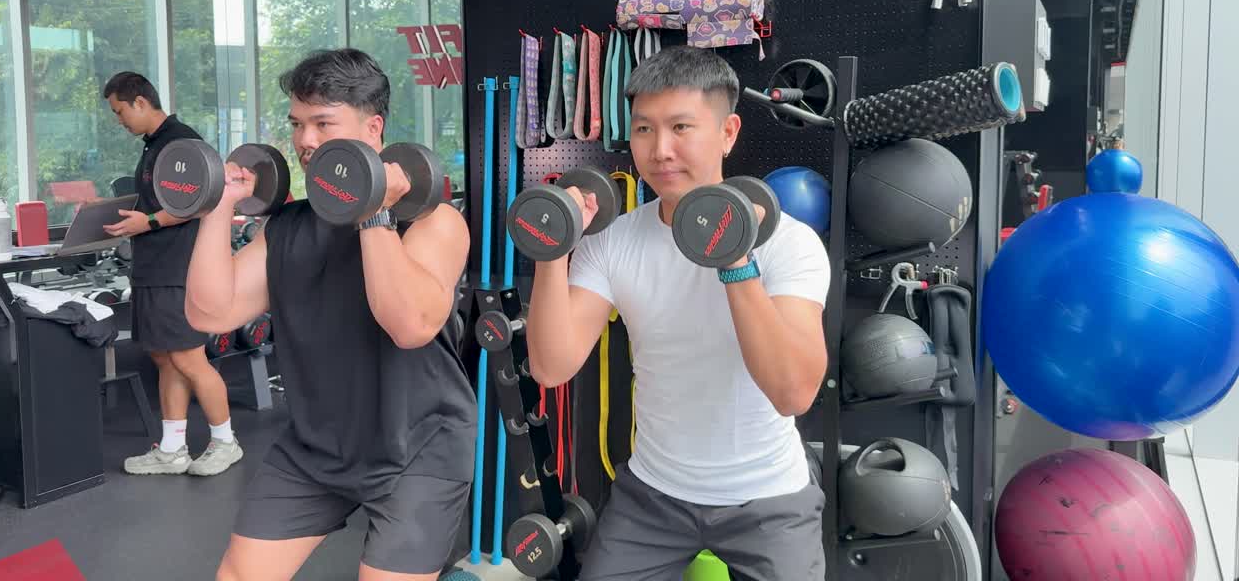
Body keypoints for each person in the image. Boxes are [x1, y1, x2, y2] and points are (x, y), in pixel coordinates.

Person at [526, 46, 831, 580]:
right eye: (644, 130)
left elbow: (793, 392)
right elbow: (552, 368)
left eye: (681, 127)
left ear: (728, 132)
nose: (660, 150)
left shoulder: (789, 245)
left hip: (768, 499)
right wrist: (555, 249)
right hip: (654, 497)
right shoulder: (614, 242)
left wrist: (734, 257)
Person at [183, 49, 476, 581]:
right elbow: (211, 312)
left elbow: (409, 326)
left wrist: (374, 212)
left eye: (323, 123)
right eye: (297, 124)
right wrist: (218, 207)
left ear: (373, 127)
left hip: (418, 449)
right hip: (317, 446)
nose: (305, 141)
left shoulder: (433, 223)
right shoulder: (290, 227)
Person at [103, 71, 243, 478]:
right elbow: (167, 199)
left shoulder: (181, 141)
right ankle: (172, 448)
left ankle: (225, 441)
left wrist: (144, 223)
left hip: (176, 268)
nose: (119, 121)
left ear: (140, 102)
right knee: (165, 358)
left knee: (187, 356)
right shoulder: (156, 146)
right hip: (153, 266)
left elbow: (203, 200)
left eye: (120, 111)